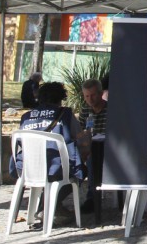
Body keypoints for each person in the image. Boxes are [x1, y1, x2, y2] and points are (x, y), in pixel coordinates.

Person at [9, 82, 86, 223]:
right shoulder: (65, 114)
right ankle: (49, 205)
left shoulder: (26, 117)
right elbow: (80, 139)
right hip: (55, 168)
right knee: (80, 171)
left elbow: (20, 142)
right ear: (60, 98)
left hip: (27, 169)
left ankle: (49, 206)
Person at [78, 78, 107, 215]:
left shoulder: (110, 109)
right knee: (88, 159)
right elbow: (81, 131)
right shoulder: (85, 111)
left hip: (108, 148)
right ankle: (92, 197)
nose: (90, 99)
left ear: (101, 93)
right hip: (90, 146)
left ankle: (93, 198)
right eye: (87, 96)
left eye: (93, 95)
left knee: (92, 159)